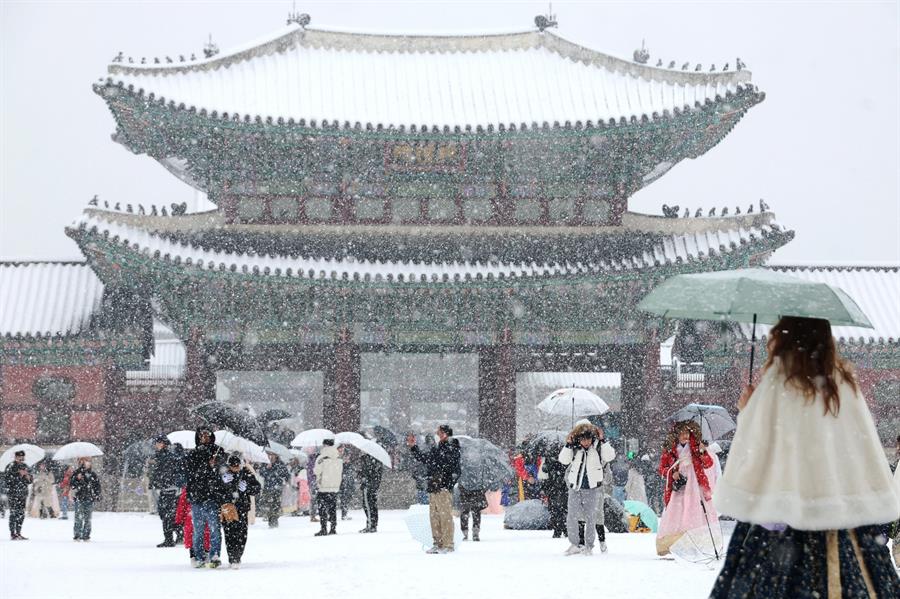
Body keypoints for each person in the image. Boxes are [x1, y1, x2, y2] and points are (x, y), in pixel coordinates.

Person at [710, 316, 900, 597]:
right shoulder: (843, 385)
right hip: (840, 524)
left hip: (776, 525)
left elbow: (753, 456)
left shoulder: (777, 386)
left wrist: (747, 411)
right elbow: (860, 451)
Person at [655, 420, 716, 556]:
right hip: (678, 487)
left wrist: (702, 452)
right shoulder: (670, 450)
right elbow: (662, 469)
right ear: (676, 434)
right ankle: (674, 544)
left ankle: (694, 543)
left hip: (695, 484)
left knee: (694, 511)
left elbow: (708, 464)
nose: (685, 436)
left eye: (687, 433)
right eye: (682, 433)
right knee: (676, 511)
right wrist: (672, 473)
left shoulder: (696, 448)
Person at [559, 421, 615, 556]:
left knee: (591, 517)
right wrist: (568, 444)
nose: (586, 442)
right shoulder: (574, 448)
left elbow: (610, 456)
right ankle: (575, 544)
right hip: (575, 486)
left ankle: (589, 546)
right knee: (572, 516)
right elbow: (563, 460)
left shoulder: (598, 447)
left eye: (588, 438)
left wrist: (603, 440)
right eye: (583, 439)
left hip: (592, 487)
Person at [407, 424, 461, 554]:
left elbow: (451, 466)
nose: (437, 435)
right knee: (434, 517)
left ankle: (448, 544)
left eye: (440, 433)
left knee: (445, 516)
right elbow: (424, 459)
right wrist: (414, 447)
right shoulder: (436, 448)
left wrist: (445, 479)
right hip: (433, 486)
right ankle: (437, 543)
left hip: (443, 487)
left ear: (446, 434)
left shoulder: (452, 447)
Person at [184, 425, 225, 568]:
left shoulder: (219, 452)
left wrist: (216, 464)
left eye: (207, 435)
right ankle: (199, 556)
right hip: (197, 497)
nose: (205, 437)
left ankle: (215, 555)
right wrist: (206, 467)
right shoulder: (192, 454)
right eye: (202, 435)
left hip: (213, 497)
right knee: (198, 530)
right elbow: (190, 475)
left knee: (215, 529)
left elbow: (223, 473)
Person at [219, 454, 261, 569]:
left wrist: (247, 488)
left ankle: (238, 555)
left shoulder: (246, 473)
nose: (235, 468)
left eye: (237, 466)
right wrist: (224, 484)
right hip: (228, 508)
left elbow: (257, 488)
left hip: (242, 508)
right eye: (233, 466)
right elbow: (216, 490)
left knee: (242, 534)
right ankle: (233, 557)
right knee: (229, 534)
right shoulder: (223, 474)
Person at [149, 435, 183, 547]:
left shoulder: (168, 457)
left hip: (170, 489)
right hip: (163, 489)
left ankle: (171, 538)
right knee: (165, 514)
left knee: (168, 515)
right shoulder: (158, 456)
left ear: (164, 444)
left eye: (159, 443)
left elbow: (167, 472)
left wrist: (162, 481)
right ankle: (177, 534)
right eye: (156, 443)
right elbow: (155, 473)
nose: (157, 445)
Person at [313, 439, 343, 536]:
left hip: (323, 486)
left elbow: (316, 471)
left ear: (324, 445)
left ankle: (323, 528)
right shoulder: (338, 457)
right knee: (332, 508)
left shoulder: (321, 458)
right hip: (334, 486)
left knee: (322, 509)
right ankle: (333, 528)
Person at [70, 457, 101, 541]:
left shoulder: (93, 474)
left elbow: (97, 486)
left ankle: (86, 535)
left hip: (89, 498)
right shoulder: (77, 473)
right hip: (79, 498)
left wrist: (97, 495)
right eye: (85, 461)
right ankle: (77, 535)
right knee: (78, 518)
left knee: (88, 518)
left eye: (88, 461)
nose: (87, 463)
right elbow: (72, 485)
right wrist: (77, 479)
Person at [541, 449, 569, 538]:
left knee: (562, 508)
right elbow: (544, 469)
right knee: (555, 509)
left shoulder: (566, 453)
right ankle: (559, 529)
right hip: (553, 485)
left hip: (562, 485)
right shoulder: (549, 455)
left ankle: (563, 528)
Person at [5, 450, 33, 540]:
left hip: (23, 493)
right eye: (19, 456)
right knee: (13, 513)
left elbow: (30, 480)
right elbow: (7, 481)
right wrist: (18, 475)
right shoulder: (10, 466)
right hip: (13, 494)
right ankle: (13, 533)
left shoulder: (25, 466)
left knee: (21, 514)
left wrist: (28, 477)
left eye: (23, 457)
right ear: (16, 457)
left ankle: (19, 532)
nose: (21, 458)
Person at [258, 453, 290, 528]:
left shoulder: (280, 464)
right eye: (269, 454)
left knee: (276, 505)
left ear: (276, 455)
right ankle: (270, 518)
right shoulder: (265, 462)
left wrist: (277, 471)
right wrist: (267, 468)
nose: (271, 456)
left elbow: (286, 475)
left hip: (277, 488)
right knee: (267, 504)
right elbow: (261, 473)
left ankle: (274, 520)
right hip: (267, 488)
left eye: (272, 454)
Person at [357, 449, 383, 533]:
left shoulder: (369, 459)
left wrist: (361, 474)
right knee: (372, 505)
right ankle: (373, 524)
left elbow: (368, 473)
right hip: (373, 485)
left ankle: (371, 525)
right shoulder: (377, 459)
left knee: (368, 505)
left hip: (369, 486)